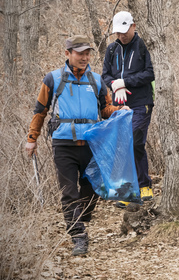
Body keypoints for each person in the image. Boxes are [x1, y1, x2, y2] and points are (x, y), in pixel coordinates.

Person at [25, 35, 128, 256]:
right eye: (80, 53)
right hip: (64, 145)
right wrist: (31, 139)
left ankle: (80, 217)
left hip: (91, 143)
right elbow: (40, 111)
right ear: (68, 54)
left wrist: (120, 110)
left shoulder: (97, 80)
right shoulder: (52, 79)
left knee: (94, 188)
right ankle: (78, 236)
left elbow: (105, 109)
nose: (84, 57)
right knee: (69, 192)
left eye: (87, 53)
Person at [103, 11, 155, 208]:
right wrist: (115, 84)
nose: (121, 35)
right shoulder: (111, 49)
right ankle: (127, 191)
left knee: (134, 140)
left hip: (142, 102)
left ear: (133, 26)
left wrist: (127, 82)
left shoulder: (143, 46)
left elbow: (150, 73)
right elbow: (105, 74)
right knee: (123, 145)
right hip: (118, 103)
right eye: (117, 32)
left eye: (124, 31)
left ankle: (144, 186)